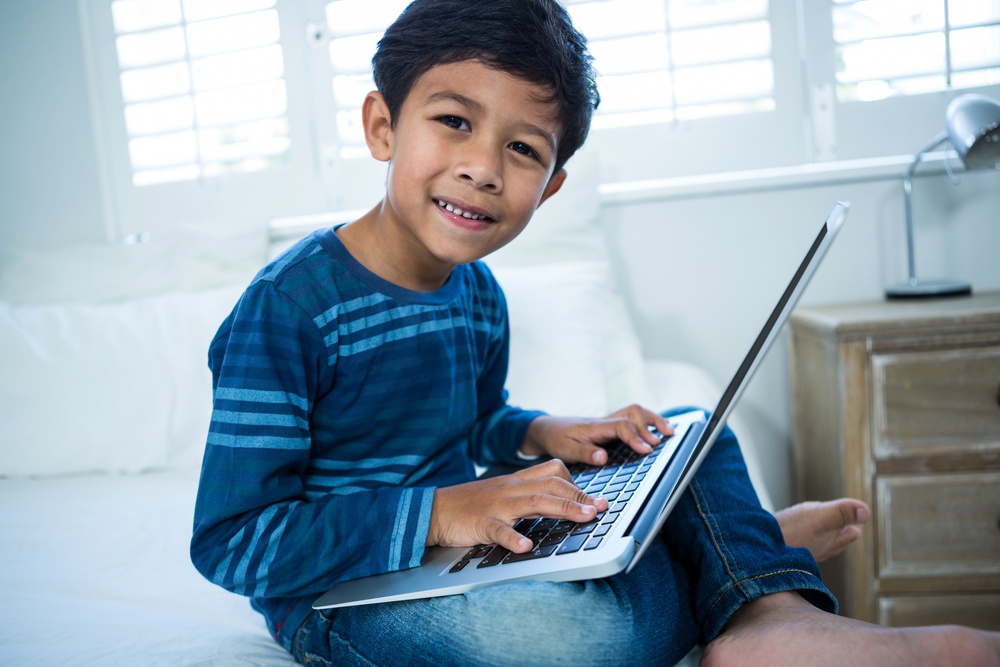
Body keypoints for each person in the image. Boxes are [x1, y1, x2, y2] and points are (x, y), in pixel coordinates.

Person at [190, 1, 1000, 665]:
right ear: (382, 126)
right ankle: (736, 556)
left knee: (681, 430)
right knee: (581, 637)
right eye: (453, 121)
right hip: (341, 595)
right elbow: (232, 541)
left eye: (521, 148)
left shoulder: (476, 293)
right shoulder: (288, 309)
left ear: (550, 187)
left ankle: (770, 611)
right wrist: (442, 511)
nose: (483, 167)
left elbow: (473, 422)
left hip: (456, 554)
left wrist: (548, 431)